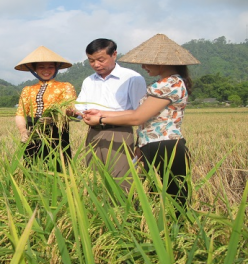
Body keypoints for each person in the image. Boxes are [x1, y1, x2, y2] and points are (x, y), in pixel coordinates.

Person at [82, 33, 200, 213]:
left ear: (161, 62)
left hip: (165, 145)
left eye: (146, 63)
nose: (143, 67)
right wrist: (101, 112)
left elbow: (138, 118)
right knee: (156, 199)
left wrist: (101, 119)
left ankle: (180, 234)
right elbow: (139, 113)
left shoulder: (170, 84)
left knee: (174, 201)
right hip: (152, 144)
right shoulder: (164, 83)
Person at [75, 38, 147, 191]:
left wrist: (141, 144)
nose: (96, 65)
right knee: (94, 180)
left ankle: (124, 213)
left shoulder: (132, 78)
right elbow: (80, 109)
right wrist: (72, 112)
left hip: (119, 133)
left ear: (114, 55)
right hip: (93, 134)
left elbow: (141, 114)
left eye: (100, 60)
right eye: (91, 61)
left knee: (121, 182)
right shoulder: (89, 81)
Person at [14, 46, 77, 171]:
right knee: (32, 167)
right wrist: (23, 131)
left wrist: (55, 118)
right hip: (33, 131)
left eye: (50, 67)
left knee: (59, 166)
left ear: (56, 68)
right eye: (41, 67)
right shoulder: (27, 90)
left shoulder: (65, 87)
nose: (46, 70)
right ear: (35, 69)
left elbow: (70, 111)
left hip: (57, 130)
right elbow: (20, 113)